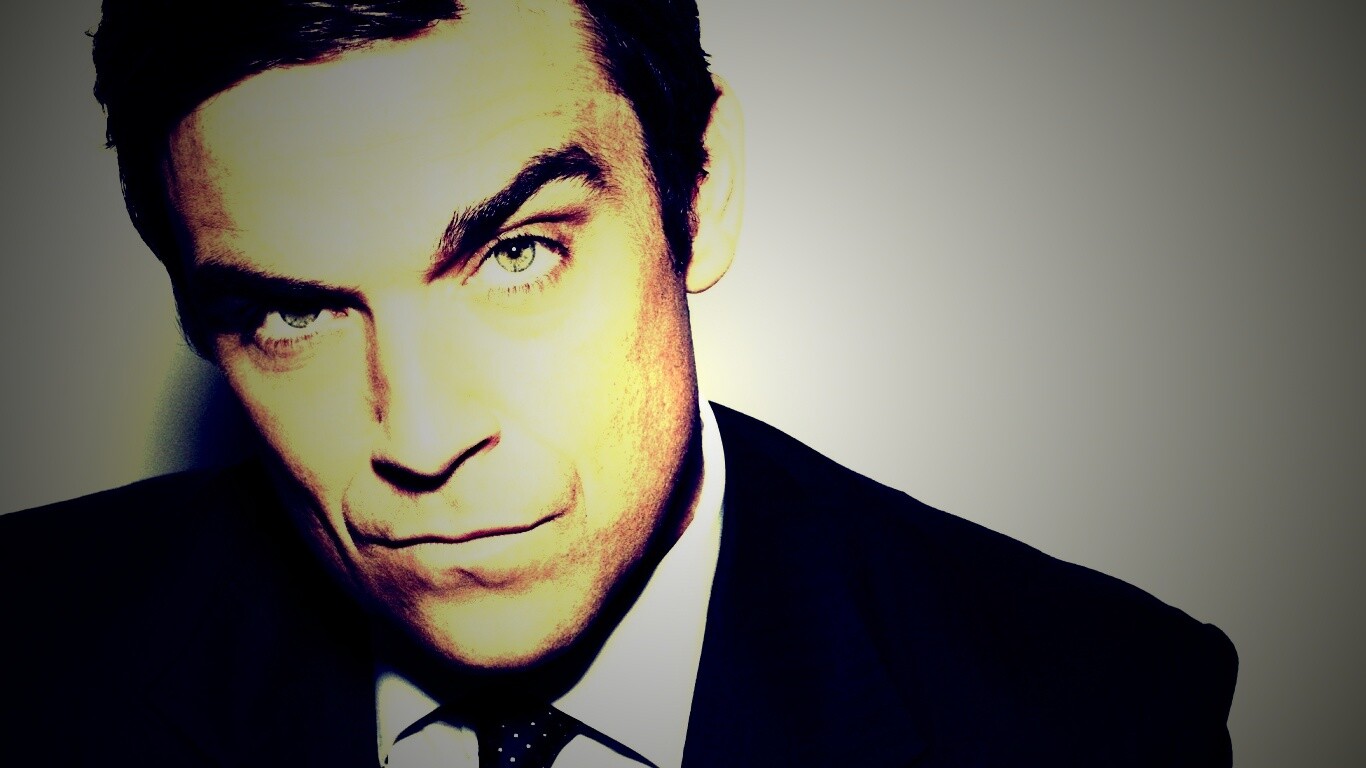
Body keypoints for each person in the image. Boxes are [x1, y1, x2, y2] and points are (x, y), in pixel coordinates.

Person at [2, 1, 1237, 765]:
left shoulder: (1091, 714)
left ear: (700, 190)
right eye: (291, 310)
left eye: (517, 253)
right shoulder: (27, 649)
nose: (421, 437)